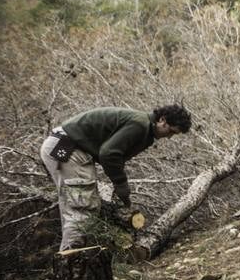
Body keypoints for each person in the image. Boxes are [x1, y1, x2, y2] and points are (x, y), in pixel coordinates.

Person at [40, 105, 192, 251]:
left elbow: (109, 153)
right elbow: (109, 154)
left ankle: (77, 262)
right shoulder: (140, 125)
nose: (170, 136)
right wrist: (120, 183)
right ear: (162, 120)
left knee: (79, 206)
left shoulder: (144, 127)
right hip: (67, 148)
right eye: (171, 131)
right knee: (82, 207)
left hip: (65, 147)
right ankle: (73, 261)